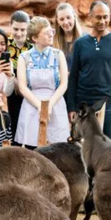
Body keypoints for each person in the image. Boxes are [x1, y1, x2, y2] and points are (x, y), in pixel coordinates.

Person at [67, 0, 111, 140]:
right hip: (84, 104)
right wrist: (71, 107)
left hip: (109, 103)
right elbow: (73, 77)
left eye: (105, 17)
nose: (102, 21)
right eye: (98, 17)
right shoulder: (80, 43)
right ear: (90, 17)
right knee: (82, 146)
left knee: (109, 146)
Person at [14, 17, 69, 149]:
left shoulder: (58, 55)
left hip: (55, 103)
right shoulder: (24, 58)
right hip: (32, 105)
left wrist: (49, 105)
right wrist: (40, 106)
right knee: (32, 148)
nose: (51, 35)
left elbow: (63, 84)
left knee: (57, 149)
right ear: (35, 38)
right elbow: (22, 87)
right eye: (46, 33)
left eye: (51, 31)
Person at [6, 11, 33, 135]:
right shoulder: (6, 44)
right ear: (10, 26)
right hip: (12, 83)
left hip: (30, 83)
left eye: (23, 30)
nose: (19, 33)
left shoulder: (33, 45)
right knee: (15, 119)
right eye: (15, 29)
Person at [53, 2, 83, 67]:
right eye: (62, 19)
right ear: (58, 21)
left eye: (68, 17)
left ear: (74, 16)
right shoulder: (52, 42)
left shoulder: (85, 39)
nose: (66, 22)